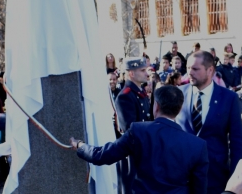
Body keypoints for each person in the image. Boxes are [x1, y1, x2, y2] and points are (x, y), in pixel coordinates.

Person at [71, 86, 209, 193]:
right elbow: (199, 190)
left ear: (156, 106)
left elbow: (103, 155)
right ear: (179, 109)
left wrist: (80, 145)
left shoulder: (138, 131)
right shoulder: (198, 145)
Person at [175, 50, 242, 194]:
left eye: (195, 69)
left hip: (216, 177)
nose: (189, 73)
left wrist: (236, 179)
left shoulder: (229, 98)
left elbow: (237, 141)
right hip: (182, 177)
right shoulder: (178, 94)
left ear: (210, 70)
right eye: (188, 68)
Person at [115, 57, 151, 194]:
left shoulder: (140, 94)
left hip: (143, 152)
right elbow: (129, 130)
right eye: (142, 70)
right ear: (131, 74)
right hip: (132, 155)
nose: (146, 73)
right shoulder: (125, 96)